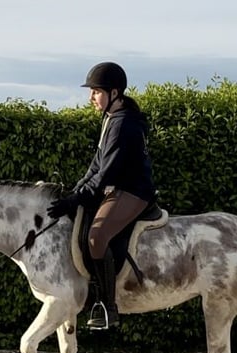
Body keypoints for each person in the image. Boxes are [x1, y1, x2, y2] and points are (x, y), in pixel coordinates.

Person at [47, 62, 156, 329]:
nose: (91, 97)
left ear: (114, 93)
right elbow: (95, 166)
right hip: (117, 188)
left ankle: (108, 307)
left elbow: (105, 174)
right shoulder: (112, 119)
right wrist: (75, 192)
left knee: (97, 238)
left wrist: (77, 198)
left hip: (133, 191)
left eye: (96, 92)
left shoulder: (123, 123)